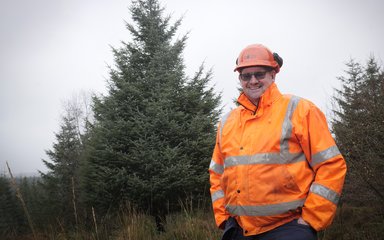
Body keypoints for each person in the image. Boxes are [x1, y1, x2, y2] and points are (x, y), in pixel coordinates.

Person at [209, 44, 347, 240]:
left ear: (273, 74)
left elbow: (331, 165)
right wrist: (223, 217)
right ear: (240, 78)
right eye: (246, 76)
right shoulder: (227, 122)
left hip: (288, 229)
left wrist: (311, 219)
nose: (253, 80)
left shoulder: (300, 110)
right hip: (238, 229)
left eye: (260, 74)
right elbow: (217, 173)